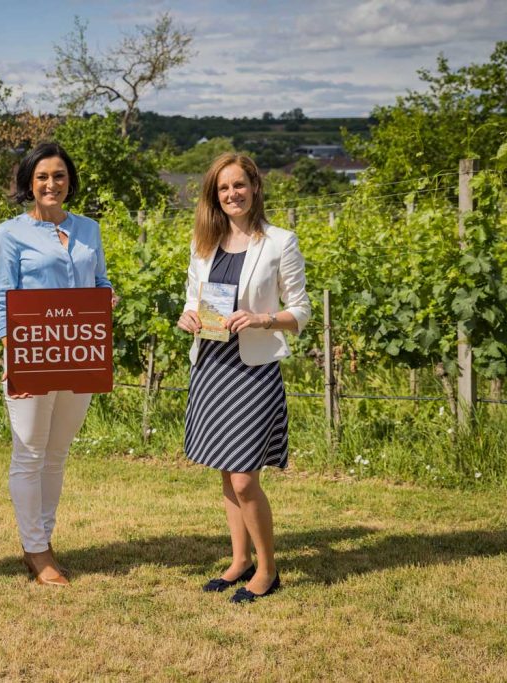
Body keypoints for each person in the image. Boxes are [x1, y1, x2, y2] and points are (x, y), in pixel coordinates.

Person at [176, 152, 310, 604]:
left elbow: (301, 313)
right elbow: (192, 301)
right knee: (224, 468)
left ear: (254, 187)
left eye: (239, 185)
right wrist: (188, 317)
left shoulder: (280, 242)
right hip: (212, 367)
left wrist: (261, 319)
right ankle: (239, 561)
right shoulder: (205, 244)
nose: (232, 194)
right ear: (214, 196)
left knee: (244, 479)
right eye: (223, 188)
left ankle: (268, 569)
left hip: (253, 370)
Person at [0, 142, 115, 587]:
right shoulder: (9, 234)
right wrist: (14, 356)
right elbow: (2, 303)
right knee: (29, 452)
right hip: (32, 358)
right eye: (42, 177)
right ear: (29, 183)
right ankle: (35, 550)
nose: (51, 184)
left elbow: (100, 281)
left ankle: (44, 537)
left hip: (79, 356)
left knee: (57, 454)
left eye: (59, 176)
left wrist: (107, 297)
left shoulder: (89, 230)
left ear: (69, 181)